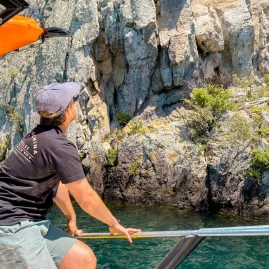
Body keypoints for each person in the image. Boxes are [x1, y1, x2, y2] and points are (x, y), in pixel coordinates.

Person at [0, 82, 140, 269]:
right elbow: (86, 197)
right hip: (12, 227)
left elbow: (56, 185)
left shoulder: (37, 136)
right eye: (72, 100)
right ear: (67, 110)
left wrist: (71, 217)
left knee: (82, 259)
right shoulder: (58, 146)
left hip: (30, 222)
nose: (75, 102)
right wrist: (113, 223)